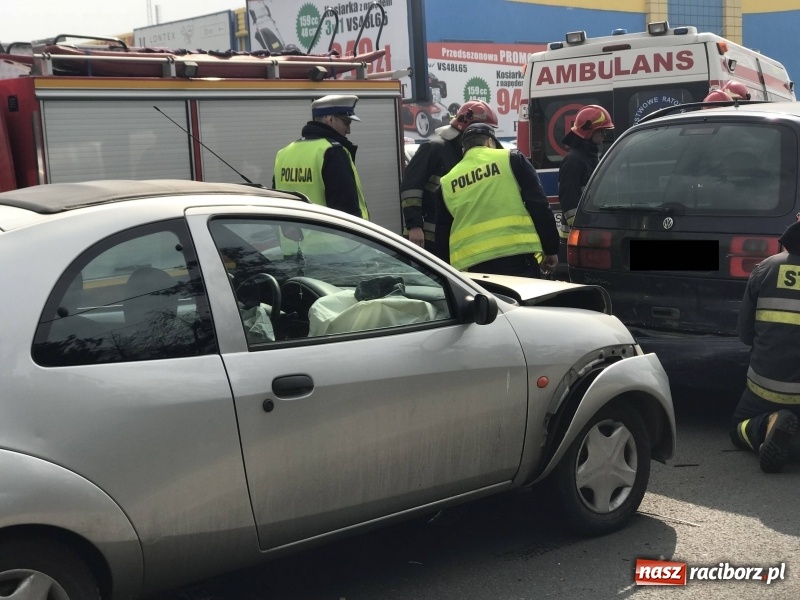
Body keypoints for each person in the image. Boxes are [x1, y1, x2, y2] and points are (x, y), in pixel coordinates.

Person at [434, 122, 559, 278]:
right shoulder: (512, 159)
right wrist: (551, 249)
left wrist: (447, 273)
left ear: (463, 149)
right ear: (489, 142)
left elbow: (442, 232)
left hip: (474, 265)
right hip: (517, 255)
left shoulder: (447, 182)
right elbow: (539, 205)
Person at [730, 218, 800, 472]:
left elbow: (745, 334)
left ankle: (769, 424)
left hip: (764, 388)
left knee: (739, 427)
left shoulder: (765, 268)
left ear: (786, 245)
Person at [400, 101, 499, 252]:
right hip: (428, 238)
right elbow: (410, 188)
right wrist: (414, 226)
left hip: (455, 239)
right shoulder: (435, 149)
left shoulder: (469, 154)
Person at [273, 94, 369, 219]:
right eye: (346, 122)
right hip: (329, 237)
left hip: (291, 237)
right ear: (330, 119)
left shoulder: (284, 153)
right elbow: (346, 210)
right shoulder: (332, 152)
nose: (348, 130)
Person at [557, 105, 614, 239]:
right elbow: (569, 199)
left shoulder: (590, 156)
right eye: (600, 131)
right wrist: (581, 226)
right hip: (575, 236)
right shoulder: (573, 160)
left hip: (590, 231)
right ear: (588, 131)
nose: (604, 135)